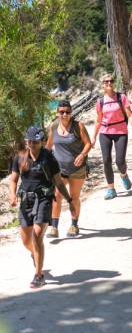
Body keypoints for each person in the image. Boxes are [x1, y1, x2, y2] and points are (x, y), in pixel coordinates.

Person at [10, 126, 76, 289]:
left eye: (35, 141)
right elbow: (13, 180)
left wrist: (69, 200)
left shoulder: (49, 158)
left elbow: (59, 182)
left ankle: (39, 275)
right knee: (26, 241)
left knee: (37, 235)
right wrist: (12, 195)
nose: (32, 144)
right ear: (26, 141)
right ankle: (35, 254)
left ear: (41, 142)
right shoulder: (20, 157)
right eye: (29, 141)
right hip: (26, 200)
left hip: (44, 199)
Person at [46, 100, 91, 238]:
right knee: (57, 196)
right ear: (57, 113)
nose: (65, 114)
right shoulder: (53, 126)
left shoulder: (78, 126)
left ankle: (74, 225)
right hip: (60, 170)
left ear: (71, 112)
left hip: (77, 170)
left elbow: (88, 143)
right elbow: (48, 146)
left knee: (74, 197)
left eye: (67, 112)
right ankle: (54, 227)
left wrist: (82, 155)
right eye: (62, 112)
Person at [91, 73, 132, 200]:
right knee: (106, 161)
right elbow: (98, 120)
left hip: (121, 131)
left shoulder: (122, 97)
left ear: (113, 83)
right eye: (106, 81)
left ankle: (124, 175)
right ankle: (111, 189)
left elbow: (129, 115)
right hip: (105, 132)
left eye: (110, 81)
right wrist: (93, 137)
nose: (109, 83)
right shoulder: (100, 101)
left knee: (120, 161)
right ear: (103, 84)